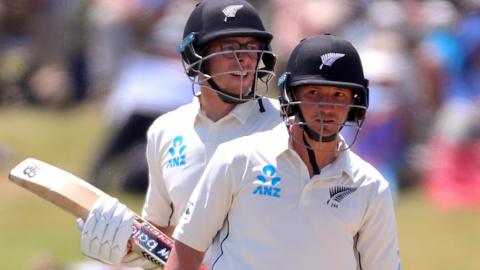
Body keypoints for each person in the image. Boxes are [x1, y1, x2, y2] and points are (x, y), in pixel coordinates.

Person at [165, 34, 401, 270]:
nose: (327, 107)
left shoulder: (371, 187)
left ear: (354, 103)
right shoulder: (237, 160)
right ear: (291, 95)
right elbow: (187, 249)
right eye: (314, 93)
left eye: (339, 95)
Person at [76, 0, 282, 268]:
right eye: (228, 48)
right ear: (195, 55)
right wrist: (127, 248)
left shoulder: (288, 128)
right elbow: (162, 238)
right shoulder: (167, 130)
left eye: (251, 47)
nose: (243, 58)